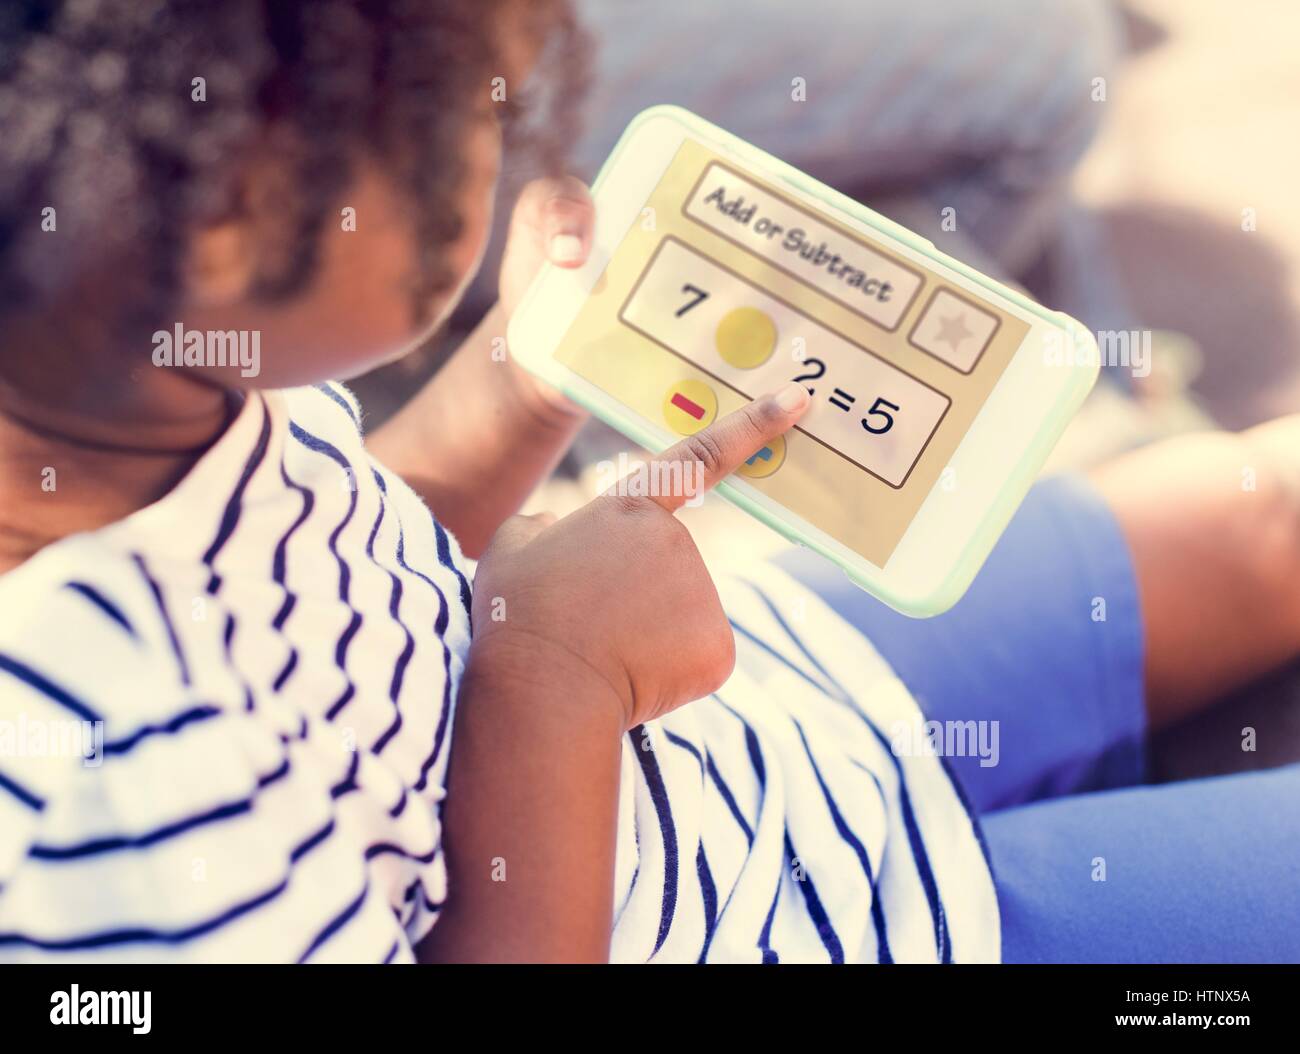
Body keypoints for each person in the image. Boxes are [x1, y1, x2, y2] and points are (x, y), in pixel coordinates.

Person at [0, 0, 1297, 964]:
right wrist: (554, 677)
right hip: (836, 924)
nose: (508, 128)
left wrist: (518, 382)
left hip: (771, 714)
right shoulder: (95, 791)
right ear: (230, 212)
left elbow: (327, 576)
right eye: (465, 105)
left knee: (1262, 516)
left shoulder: (148, 387)